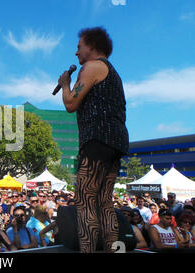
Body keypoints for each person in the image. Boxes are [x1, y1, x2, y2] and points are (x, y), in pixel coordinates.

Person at [58, 26, 129, 253]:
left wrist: (66, 83)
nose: (76, 53)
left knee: (85, 199)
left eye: (79, 47)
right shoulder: (112, 71)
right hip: (116, 141)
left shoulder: (92, 67)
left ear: (92, 46)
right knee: (105, 202)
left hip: (97, 139)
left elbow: (71, 104)